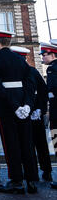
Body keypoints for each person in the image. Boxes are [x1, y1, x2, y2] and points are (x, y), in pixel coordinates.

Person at [0, 30, 38, 194]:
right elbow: (30, 84)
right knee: (27, 143)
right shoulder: (20, 59)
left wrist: (15, 105)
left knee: (11, 144)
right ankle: (31, 180)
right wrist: (26, 105)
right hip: (23, 104)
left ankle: (16, 180)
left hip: (8, 105)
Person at [11, 46, 52, 182]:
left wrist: (40, 109)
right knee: (28, 144)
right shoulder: (24, 72)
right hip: (23, 113)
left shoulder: (32, 71)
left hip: (34, 113)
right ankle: (32, 172)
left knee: (38, 143)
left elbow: (43, 91)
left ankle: (46, 170)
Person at [39, 41, 57, 189]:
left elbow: (51, 89)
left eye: (44, 55)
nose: (42, 58)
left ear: (53, 54)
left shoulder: (52, 69)